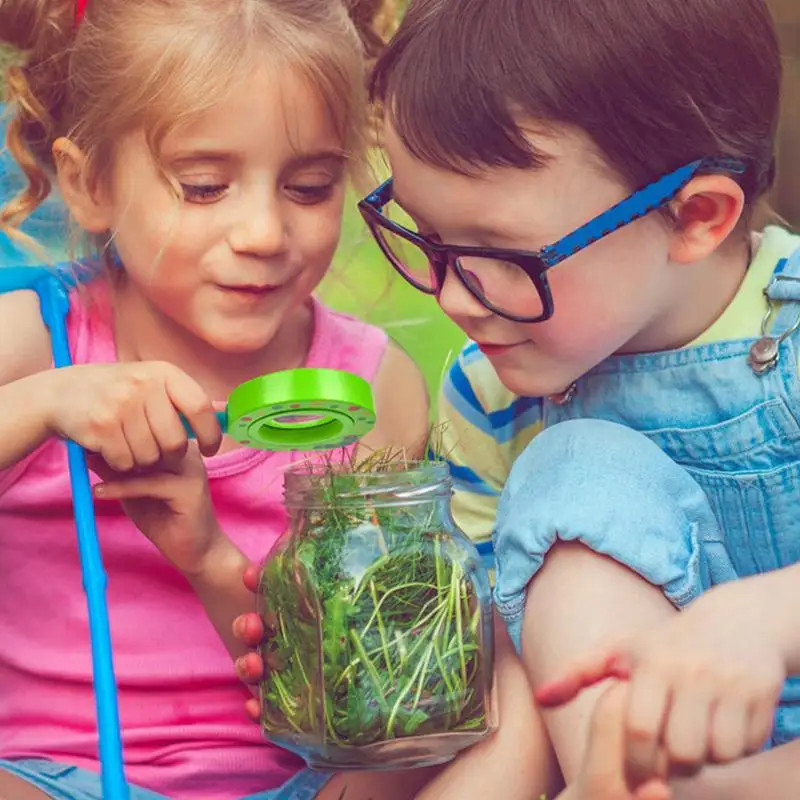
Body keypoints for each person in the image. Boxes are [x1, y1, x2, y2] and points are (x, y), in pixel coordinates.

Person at [351, 0, 800, 795]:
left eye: (497, 255)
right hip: (641, 752)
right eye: (425, 235)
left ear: (695, 216)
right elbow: (508, 670)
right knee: (575, 470)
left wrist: (771, 617)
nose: (453, 296)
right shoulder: (489, 387)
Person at [0, 0, 433, 798]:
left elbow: (362, 680)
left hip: (291, 778)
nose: (264, 230)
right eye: (203, 188)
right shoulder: (33, 343)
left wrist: (207, 557)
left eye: (309, 186)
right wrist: (42, 405)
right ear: (89, 182)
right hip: (40, 773)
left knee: (415, 754)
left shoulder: (373, 388)